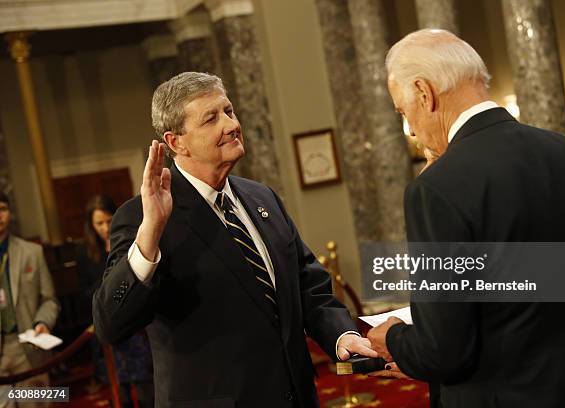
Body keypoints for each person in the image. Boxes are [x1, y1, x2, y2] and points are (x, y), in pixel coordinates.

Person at [93, 72, 375, 407]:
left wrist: (341, 335)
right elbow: (110, 325)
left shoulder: (262, 198)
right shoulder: (144, 217)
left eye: (228, 111)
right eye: (211, 118)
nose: (230, 124)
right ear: (176, 142)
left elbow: (307, 285)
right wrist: (151, 231)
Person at [367, 29, 565, 407]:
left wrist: (394, 340)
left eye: (403, 112)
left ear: (423, 92)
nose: (411, 131)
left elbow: (443, 351)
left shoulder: (436, 188)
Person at [77, 194, 154, 408]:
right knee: (121, 393)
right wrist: (107, 286)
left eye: (109, 221)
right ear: (91, 226)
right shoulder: (85, 252)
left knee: (146, 389)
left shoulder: (128, 238)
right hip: (109, 325)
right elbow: (84, 293)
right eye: (98, 223)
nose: (104, 228)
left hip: (136, 327)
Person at [0, 192, 59, 408]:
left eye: (2, 209)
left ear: (9, 213)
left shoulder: (31, 252)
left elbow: (49, 299)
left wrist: (42, 322)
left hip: (27, 343)